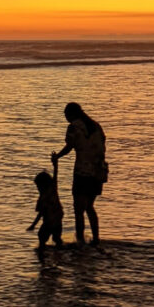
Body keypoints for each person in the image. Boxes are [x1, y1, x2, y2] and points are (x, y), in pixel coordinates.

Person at [51, 101, 106, 246]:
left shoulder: (74, 127)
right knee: (89, 207)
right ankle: (96, 238)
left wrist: (57, 157)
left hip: (83, 172)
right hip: (97, 172)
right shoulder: (96, 126)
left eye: (66, 115)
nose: (65, 117)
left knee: (79, 209)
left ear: (71, 114)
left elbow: (69, 146)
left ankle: (80, 240)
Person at [27, 159, 63, 255]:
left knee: (42, 237)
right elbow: (55, 176)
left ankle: (42, 254)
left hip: (49, 222)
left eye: (38, 187)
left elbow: (40, 214)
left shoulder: (43, 198)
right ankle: (59, 253)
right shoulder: (53, 189)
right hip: (57, 221)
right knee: (56, 238)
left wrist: (33, 225)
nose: (38, 189)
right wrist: (56, 165)